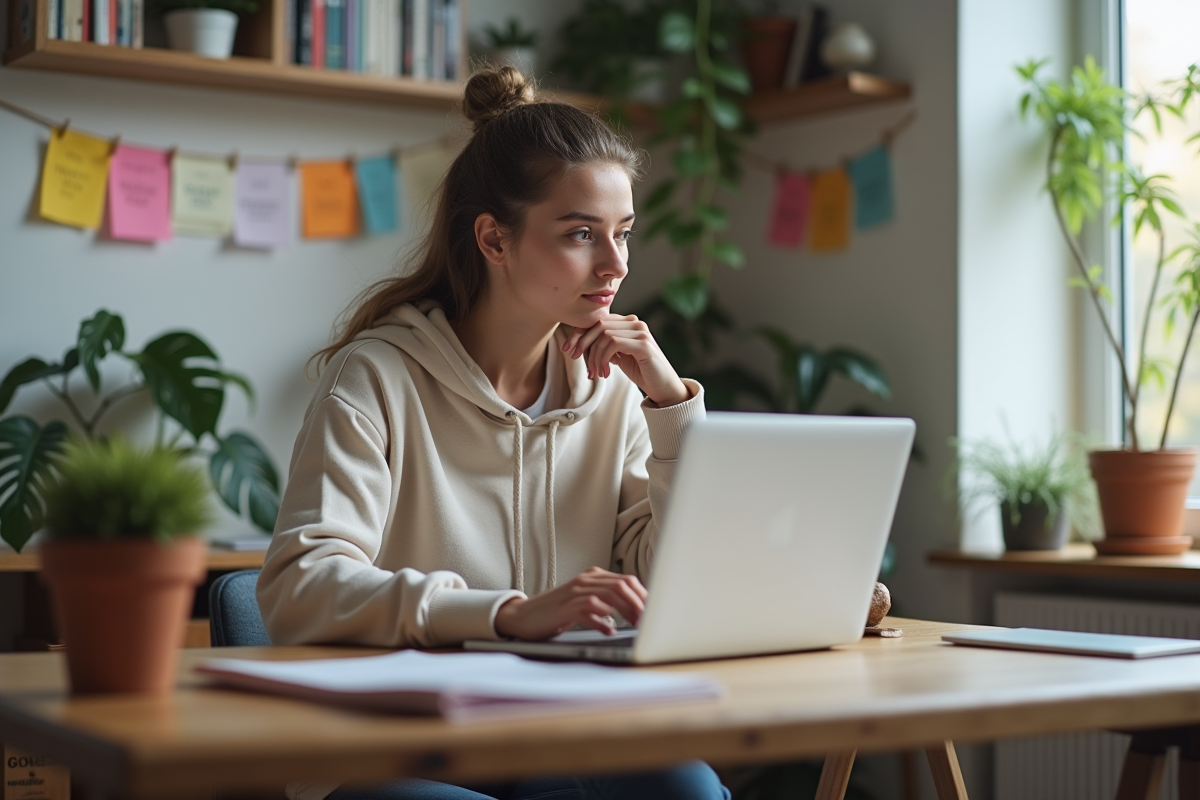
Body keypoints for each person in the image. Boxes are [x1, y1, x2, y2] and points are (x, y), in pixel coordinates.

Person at [257, 66, 729, 800]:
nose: (616, 265)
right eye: (581, 234)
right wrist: (505, 614)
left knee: (687, 789)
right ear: (494, 240)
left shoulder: (614, 395)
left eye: (623, 233)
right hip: (398, 750)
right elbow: (300, 588)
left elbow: (671, 582)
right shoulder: (376, 378)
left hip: (563, 735)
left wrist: (669, 406)